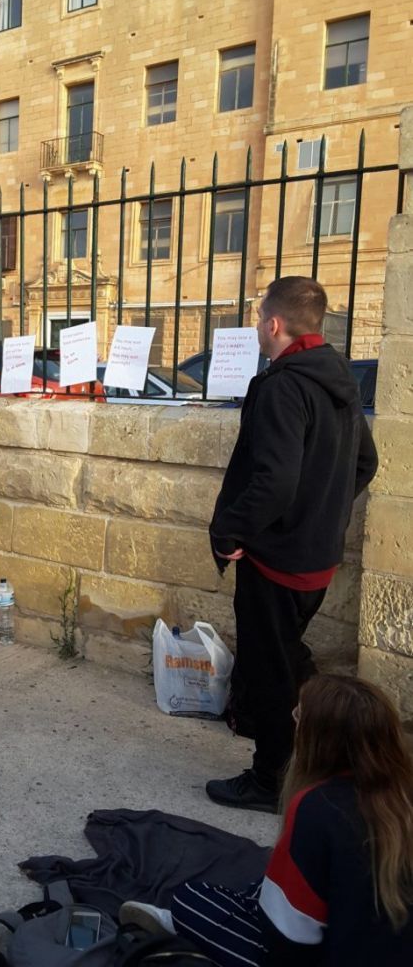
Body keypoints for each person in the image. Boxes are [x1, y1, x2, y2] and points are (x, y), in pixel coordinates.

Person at [206, 276, 377, 812]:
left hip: (276, 560)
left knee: (267, 670)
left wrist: (232, 531)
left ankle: (268, 780)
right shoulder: (339, 381)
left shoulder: (284, 385)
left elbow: (275, 481)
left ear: (273, 324)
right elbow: (364, 464)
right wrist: (322, 516)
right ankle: (328, 747)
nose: (258, 327)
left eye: (260, 319)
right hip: (316, 557)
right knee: (290, 656)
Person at [120, 674, 413, 965]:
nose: (293, 721)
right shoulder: (401, 796)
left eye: (299, 716)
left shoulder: (316, 806)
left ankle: (185, 927)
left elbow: (288, 942)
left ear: (319, 740)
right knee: (259, 884)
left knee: (190, 899)